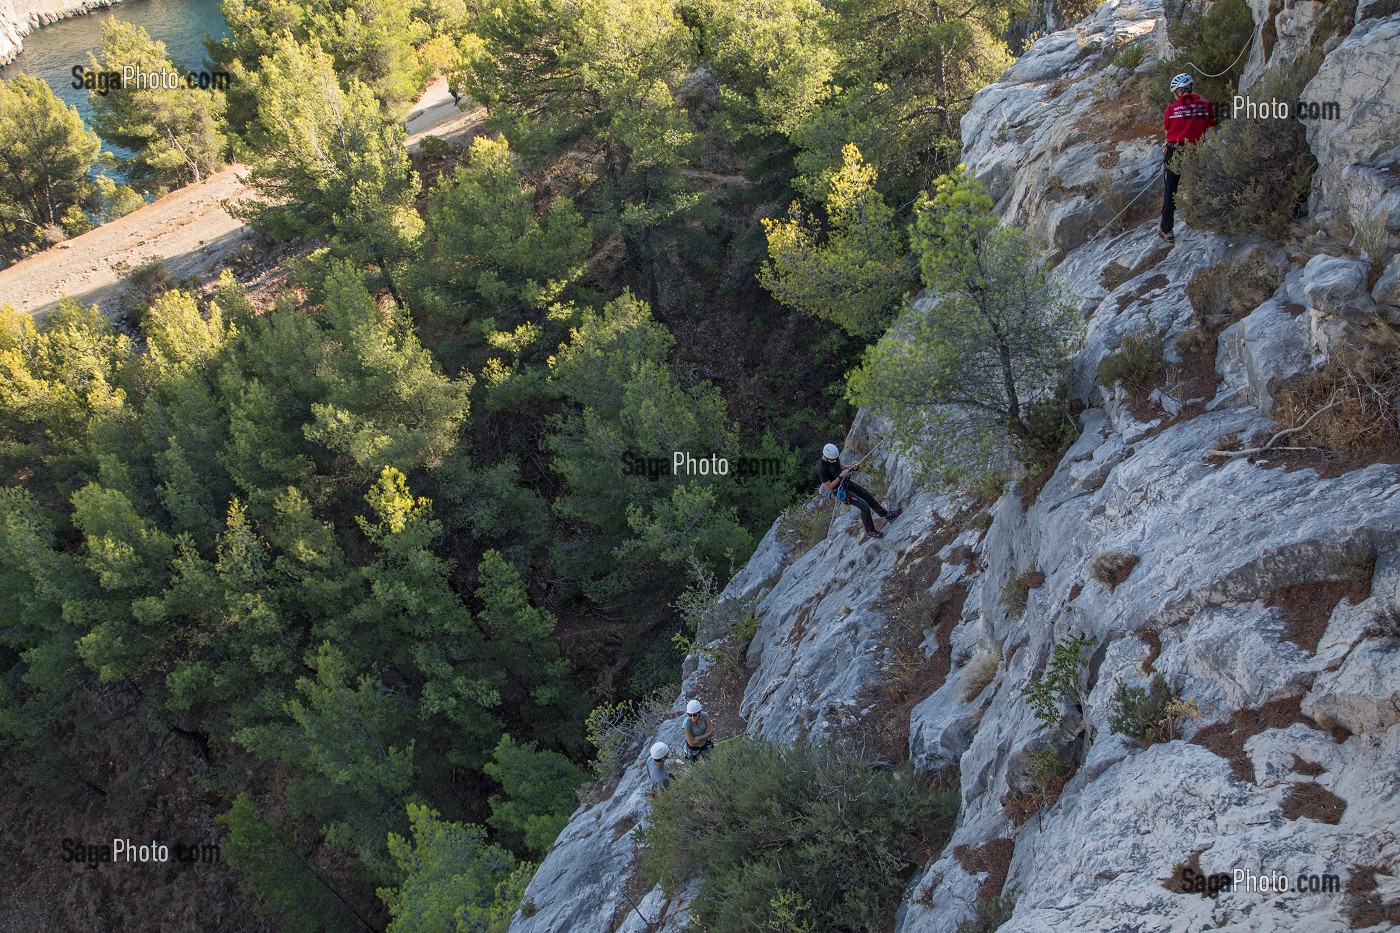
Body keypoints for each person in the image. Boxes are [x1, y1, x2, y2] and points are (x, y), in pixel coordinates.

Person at [1159, 73, 1217, 243]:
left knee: (1171, 191)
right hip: (1196, 150)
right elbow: (1212, 131)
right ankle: (1196, 217)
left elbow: (1168, 134)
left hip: (1175, 151)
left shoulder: (1171, 110)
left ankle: (1167, 230)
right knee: (1197, 184)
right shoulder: (1206, 106)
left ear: (1178, 92)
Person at [819, 442, 902, 541]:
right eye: (832, 460)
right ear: (826, 457)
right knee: (864, 507)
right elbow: (828, 486)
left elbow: (839, 466)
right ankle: (870, 531)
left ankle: (887, 515)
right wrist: (841, 476)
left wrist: (851, 466)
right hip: (841, 491)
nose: (834, 461)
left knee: (868, 496)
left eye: (835, 459)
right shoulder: (822, 469)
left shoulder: (833, 457)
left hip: (847, 483)